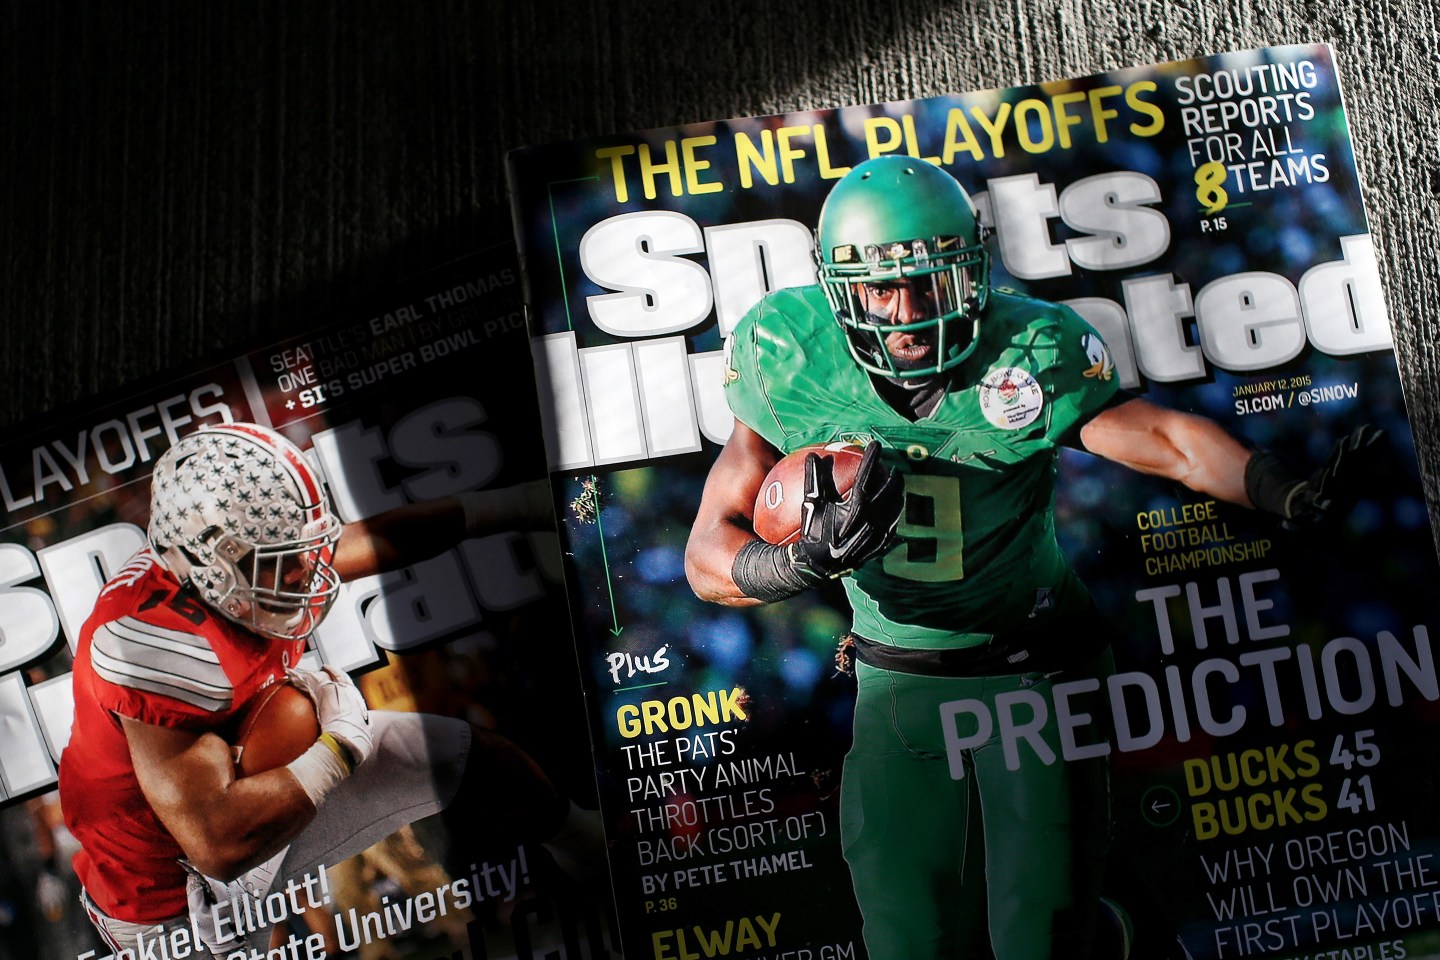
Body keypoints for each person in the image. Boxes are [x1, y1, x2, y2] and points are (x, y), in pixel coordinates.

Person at [685, 156, 1375, 960]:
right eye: (881, 288)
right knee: (906, 934)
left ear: (972, 269)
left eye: (931, 284)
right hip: (896, 673)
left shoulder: (1032, 349)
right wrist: (794, 567)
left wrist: (1278, 490)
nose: (907, 313)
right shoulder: (786, 353)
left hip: (1035, 668)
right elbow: (707, 552)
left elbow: (1163, 442)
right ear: (839, 288)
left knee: (1040, 936)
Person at [60, 421, 596, 958]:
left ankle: (597, 857)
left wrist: (519, 506)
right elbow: (217, 844)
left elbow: (381, 539)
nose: (307, 570)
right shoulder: (152, 647)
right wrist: (337, 747)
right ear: (214, 562)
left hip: (235, 799)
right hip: (172, 894)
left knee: (468, 757)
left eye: (304, 547)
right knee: (295, 723)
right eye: (284, 559)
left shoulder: (243, 561)